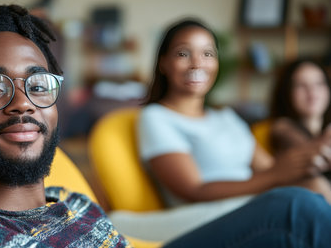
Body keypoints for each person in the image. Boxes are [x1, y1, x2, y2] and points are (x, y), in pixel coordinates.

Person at [0, 0, 331, 247]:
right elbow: (191, 190)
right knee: (299, 209)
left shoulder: (70, 200)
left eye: (39, 85)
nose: (24, 103)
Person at [138, 19, 331, 232]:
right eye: (183, 54)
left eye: (207, 54)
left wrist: (312, 155)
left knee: (315, 187)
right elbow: (194, 190)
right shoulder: (155, 117)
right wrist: (276, 175)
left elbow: (271, 169)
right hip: (207, 218)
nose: (197, 63)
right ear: (163, 62)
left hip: (249, 206)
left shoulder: (227, 118)